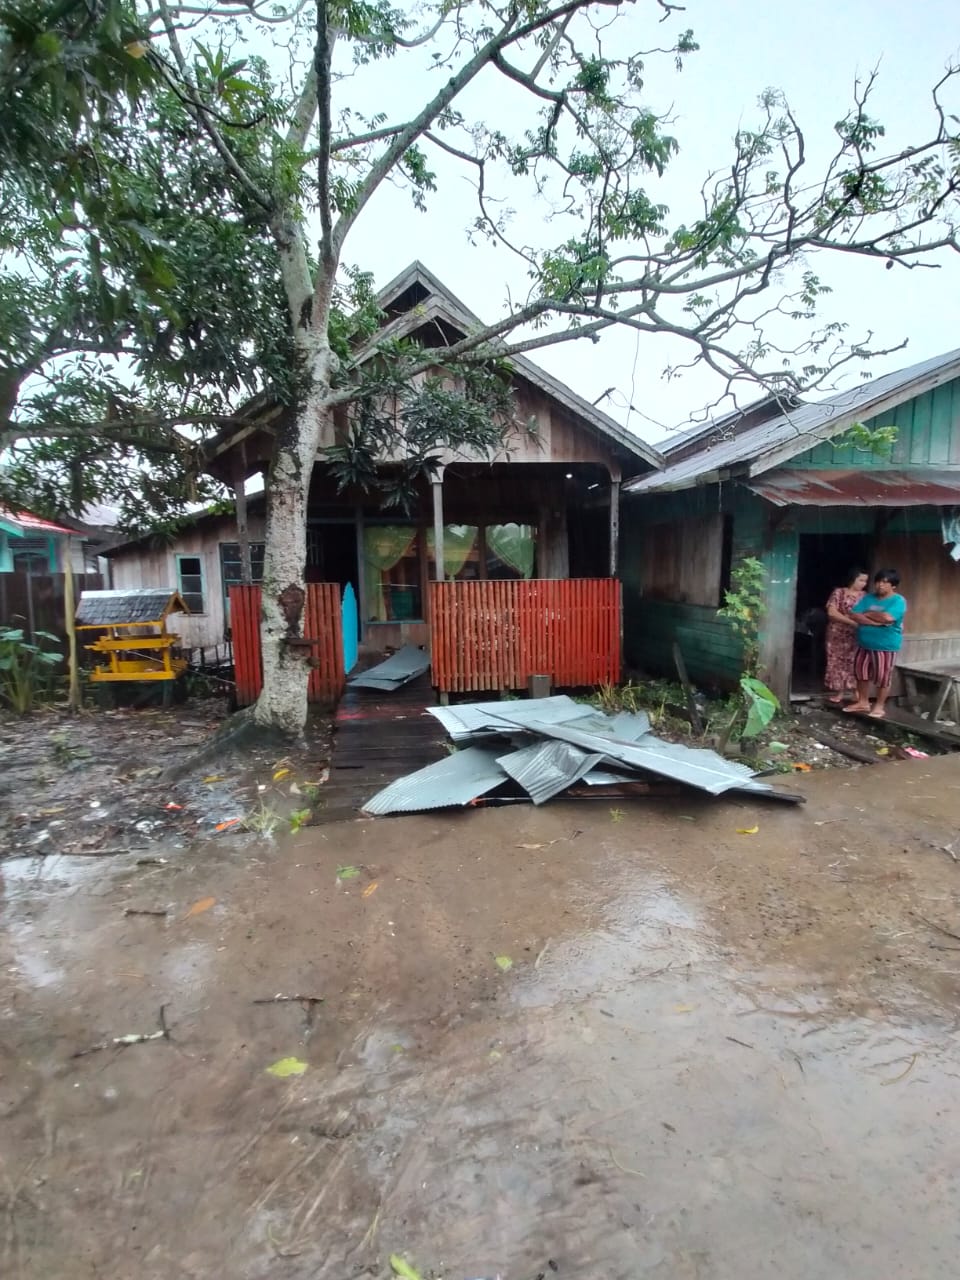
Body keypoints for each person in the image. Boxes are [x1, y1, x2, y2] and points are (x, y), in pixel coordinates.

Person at [842, 569, 908, 718]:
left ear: (893, 586)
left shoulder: (898, 601)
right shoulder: (868, 598)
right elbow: (853, 614)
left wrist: (867, 614)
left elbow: (887, 618)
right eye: (878, 582)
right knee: (861, 673)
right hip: (864, 643)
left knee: (883, 676)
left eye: (885, 582)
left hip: (885, 645)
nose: (880, 585)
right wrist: (875, 621)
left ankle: (879, 706)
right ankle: (863, 702)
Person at [823, 569, 868, 703]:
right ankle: (839, 692)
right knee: (836, 660)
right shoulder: (839, 592)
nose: (863, 584)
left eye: (865, 581)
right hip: (837, 633)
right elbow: (832, 612)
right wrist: (852, 622)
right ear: (852, 579)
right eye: (861, 580)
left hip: (856, 634)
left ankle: (856, 692)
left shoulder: (865, 596)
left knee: (854, 661)